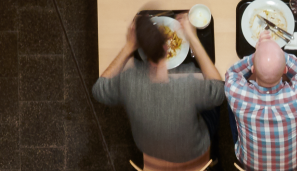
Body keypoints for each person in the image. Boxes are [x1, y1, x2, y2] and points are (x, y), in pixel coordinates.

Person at [92, 12, 224, 163]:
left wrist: (128, 46)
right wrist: (192, 37)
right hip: (194, 151)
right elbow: (219, 91)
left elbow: (98, 89)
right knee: (213, 102)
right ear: (166, 47)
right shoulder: (189, 84)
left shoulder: (128, 81)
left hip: (146, 147)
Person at [224, 36, 297, 171]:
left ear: (253, 69)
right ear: (285, 70)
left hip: (251, 170)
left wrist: (258, 53)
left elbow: (232, 73)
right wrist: (277, 54)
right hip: (295, 168)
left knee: (230, 106)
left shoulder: (236, 94)